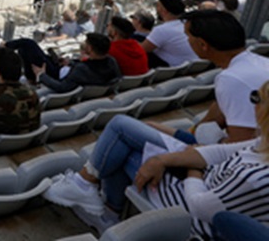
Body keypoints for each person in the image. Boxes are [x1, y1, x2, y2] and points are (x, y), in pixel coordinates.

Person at [46, 79, 269, 236]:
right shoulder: (263, 143)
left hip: (189, 209)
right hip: (204, 182)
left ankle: (91, 192)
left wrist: (194, 169)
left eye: (257, 98)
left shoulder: (254, 176)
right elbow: (218, 152)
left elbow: (200, 207)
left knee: (121, 141)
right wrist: (164, 160)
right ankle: (96, 198)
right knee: (123, 130)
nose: (252, 103)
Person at [176, 9, 269, 144]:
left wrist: (216, 141)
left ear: (203, 44)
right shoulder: (259, 62)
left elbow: (241, 145)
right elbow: (217, 112)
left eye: (188, 36)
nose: (187, 41)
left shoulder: (231, 78)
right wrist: (194, 132)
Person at [34, 32, 121, 93]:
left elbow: (61, 87)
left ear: (90, 48)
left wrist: (41, 75)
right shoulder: (112, 62)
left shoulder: (81, 69)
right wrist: (71, 63)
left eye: (86, 43)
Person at [142, 0, 199, 68]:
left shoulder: (162, 30)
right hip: (196, 65)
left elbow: (141, 49)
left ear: (164, 11)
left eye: (157, 5)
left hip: (177, 69)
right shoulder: (190, 23)